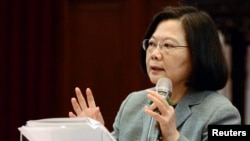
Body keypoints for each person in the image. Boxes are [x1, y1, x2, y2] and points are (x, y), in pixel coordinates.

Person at [68, 5, 241, 141]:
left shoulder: (224, 113)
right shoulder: (133, 103)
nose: (155, 54)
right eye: (151, 44)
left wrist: (174, 137)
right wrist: (97, 135)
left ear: (198, 53)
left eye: (168, 45)